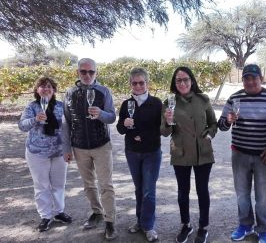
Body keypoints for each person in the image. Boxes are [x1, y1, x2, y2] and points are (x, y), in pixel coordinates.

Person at [217, 64, 266, 243]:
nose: (250, 81)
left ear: (261, 78)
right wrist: (228, 120)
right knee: (242, 194)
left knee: (263, 197)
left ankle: (263, 230)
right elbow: (221, 125)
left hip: (264, 155)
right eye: (246, 78)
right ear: (243, 80)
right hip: (239, 154)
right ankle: (245, 225)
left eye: (254, 78)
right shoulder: (234, 98)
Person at [160, 66, 217, 243]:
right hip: (181, 152)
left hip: (203, 152)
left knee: (202, 191)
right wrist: (168, 122)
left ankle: (203, 227)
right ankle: (186, 225)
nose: (182, 83)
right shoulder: (169, 102)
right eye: (179, 80)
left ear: (191, 80)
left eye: (186, 79)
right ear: (174, 83)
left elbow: (213, 124)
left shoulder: (203, 99)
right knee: (183, 192)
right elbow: (164, 131)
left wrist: (209, 135)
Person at [63, 58, 117, 240]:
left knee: (106, 185)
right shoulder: (70, 93)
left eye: (91, 72)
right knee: (88, 185)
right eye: (83, 71)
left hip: (101, 144)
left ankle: (110, 221)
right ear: (77, 72)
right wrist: (67, 147)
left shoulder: (104, 91)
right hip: (79, 146)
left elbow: (111, 118)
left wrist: (100, 114)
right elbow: (66, 122)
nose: (87, 75)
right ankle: (97, 212)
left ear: (96, 73)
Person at [18, 76, 72, 232]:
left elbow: (68, 129)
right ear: (37, 90)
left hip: (59, 153)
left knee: (59, 184)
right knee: (41, 185)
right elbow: (22, 126)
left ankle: (59, 212)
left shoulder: (62, 106)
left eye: (49, 86)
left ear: (54, 90)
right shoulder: (32, 107)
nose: (46, 88)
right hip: (37, 153)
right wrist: (35, 119)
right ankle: (46, 216)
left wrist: (69, 150)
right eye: (42, 86)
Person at [116, 68, 162, 242]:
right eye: (134, 83)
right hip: (133, 153)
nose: (138, 86)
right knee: (139, 189)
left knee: (149, 191)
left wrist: (140, 135)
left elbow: (160, 129)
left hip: (151, 152)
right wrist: (125, 124)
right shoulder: (126, 104)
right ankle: (140, 221)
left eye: (141, 82)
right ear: (130, 84)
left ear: (147, 83)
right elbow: (120, 129)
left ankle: (148, 226)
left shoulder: (156, 103)